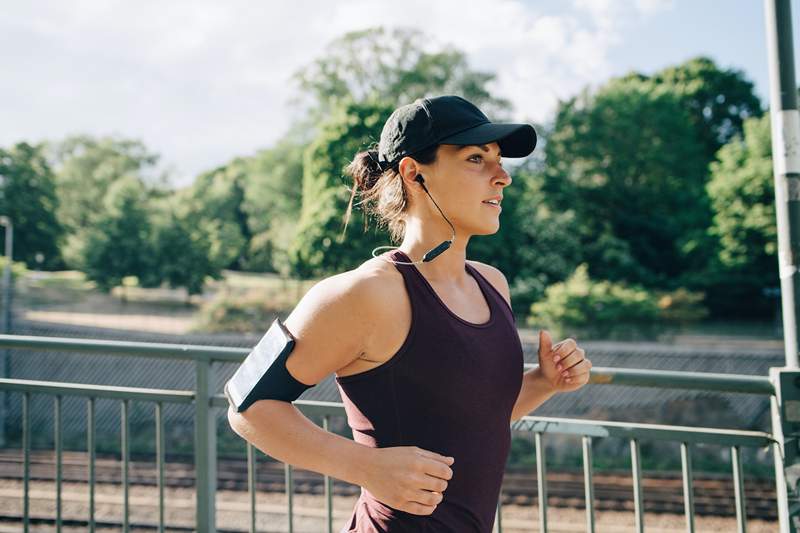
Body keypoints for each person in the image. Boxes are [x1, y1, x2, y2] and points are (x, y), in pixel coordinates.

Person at [228, 95, 592, 532]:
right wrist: (366, 467)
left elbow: (468, 423)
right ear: (413, 172)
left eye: (499, 161)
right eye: (477, 159)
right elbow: (246, 405)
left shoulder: (493, 284)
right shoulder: (364, 294)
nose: (503, 177)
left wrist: (542, 383)